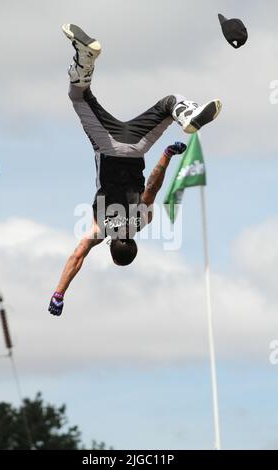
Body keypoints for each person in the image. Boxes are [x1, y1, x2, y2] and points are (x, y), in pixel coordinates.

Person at [49, 24, 222, 317]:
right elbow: (77, 256)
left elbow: (152, 187)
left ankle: (187, 113)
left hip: (139, 145)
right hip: (107, 144)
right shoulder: (99, 228)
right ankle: (85, 56)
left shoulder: (143, 220)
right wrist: (59, 293)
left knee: (169, 104)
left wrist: (167, 154)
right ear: (111, 246)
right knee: (79, 96)